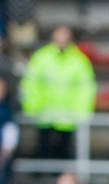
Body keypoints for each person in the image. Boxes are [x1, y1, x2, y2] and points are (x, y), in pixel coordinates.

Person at [20, 24, 94, 160]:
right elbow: (31, 83)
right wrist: (31, 107)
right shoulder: (41, 57)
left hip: (67, 116)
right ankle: (41, 179)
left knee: (64, 152)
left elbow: (85, 88)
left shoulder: (79, 60)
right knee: (43, 150)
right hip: (44, 114)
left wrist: (82, 112)